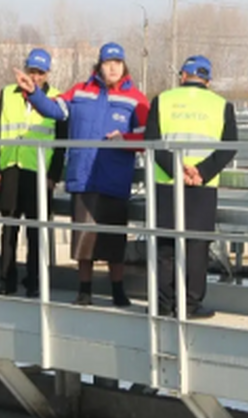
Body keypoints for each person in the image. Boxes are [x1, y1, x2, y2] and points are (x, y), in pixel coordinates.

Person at [15, 42, 149, 307]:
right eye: (108, 63)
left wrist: (125, 139)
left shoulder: (136, 98)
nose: (113, 68)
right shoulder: (79, 92)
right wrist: (33, 93)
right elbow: (55, 110)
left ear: (124, 66)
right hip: (83, 178)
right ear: (99, 65)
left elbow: (147, 137)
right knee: (83, 241)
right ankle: (84, 291)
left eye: (118, 63)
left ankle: (118, 291)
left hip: (115, 180)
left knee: (115, 242)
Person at [145, 55, 237, 319]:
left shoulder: (162, 100)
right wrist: (202, 172)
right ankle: (190, 304)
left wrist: (176, 168)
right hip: (201, 186)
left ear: (182, 76)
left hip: (167, 182)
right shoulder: (222, 105)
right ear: (208, 80)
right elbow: (230, 146)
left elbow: (152, 141)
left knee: (165, 245)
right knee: (197, 245)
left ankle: (163, 303)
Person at [0, 48, 66, 298]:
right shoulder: (7, 94)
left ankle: (34, 281)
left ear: (47, 74)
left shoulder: (56, 98)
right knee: (9, 228)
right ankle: (7, 280)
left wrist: (53, 177)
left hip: (38, 173)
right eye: (32, 71)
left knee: (36, 231)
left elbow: (62, 143)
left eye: (40, 73)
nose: (35, 77)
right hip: (11, 168)